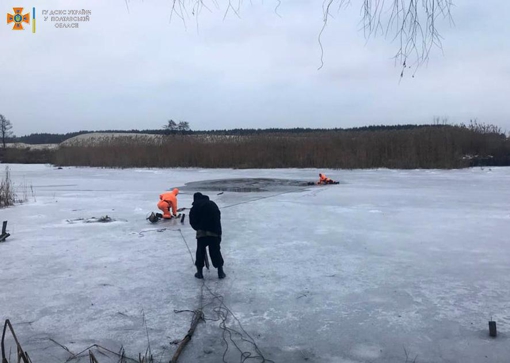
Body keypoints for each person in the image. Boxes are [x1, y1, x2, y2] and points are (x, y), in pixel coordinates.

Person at [189, 192, 226, 279]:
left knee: (200, 251)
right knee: (216, 251)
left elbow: (192, 221)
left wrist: (198, 228)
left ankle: (199, 273)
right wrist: (218, 233)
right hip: (214, 231)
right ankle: (220, 272)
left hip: (202, 233)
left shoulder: (195, 207)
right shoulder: (212, 204)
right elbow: (217, 218)